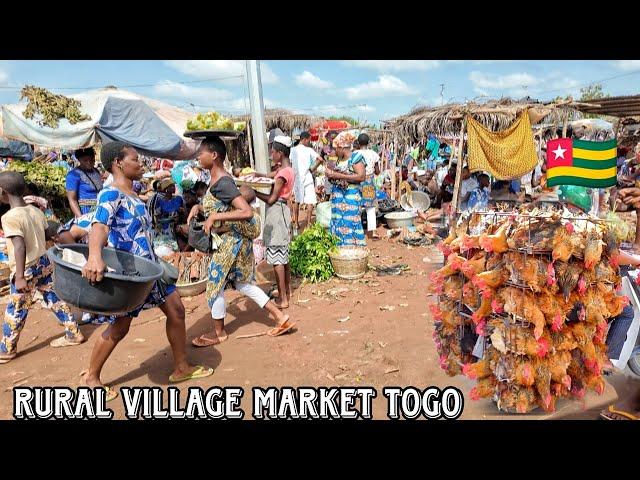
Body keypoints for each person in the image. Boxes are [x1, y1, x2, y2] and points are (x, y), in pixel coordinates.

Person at [81, 141, 212, 400]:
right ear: (118, 163)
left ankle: (181, 367)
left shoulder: (133, 195)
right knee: (120, 328)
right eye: (134, 159)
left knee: (177, 311)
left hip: (152, 269)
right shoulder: (111, 194)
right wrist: (94, 256)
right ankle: (91, 378)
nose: (140, 163)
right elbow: (99, 226)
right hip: (132, 274)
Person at [187, 137, 295, 346]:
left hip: (230, 243)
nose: (198, 156)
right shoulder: (217, 181)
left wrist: (214, 218)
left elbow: (245, 211)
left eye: (201, 153)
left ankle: (219, 333)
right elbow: (221, 206)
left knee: (214, 285)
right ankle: (280, 318)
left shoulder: (223, 182)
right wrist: (200, 209)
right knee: (243, 283)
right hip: (236, 242)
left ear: (214, 155)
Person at [0, 172, 84, 363]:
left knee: (16, 308)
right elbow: (47, 234)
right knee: (53, 297)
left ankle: (7, 348)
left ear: (3, 192)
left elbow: (19, 246)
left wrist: (19, 276)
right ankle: (73, 332)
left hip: (27, 268)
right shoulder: (35, 211)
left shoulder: (9, 217)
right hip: (43, 262)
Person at [253, 136, 295, 309]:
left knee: (277, 256)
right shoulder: (287, 169)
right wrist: (256, 175)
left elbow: (271, 199)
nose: (271, 154)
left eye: (273, 152)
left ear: (280, 153)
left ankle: (282, 299)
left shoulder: (282, 174)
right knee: (283, 255)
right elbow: (268, 176)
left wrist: (253, 192)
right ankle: (287, 291)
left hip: (277, 211)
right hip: (283, 211)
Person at [326, 132, 367, 247]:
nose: (335, 151)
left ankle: (353, 254)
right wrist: (331, 176)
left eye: (336, 148)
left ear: (342, 147)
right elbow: (337, 178)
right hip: (338, 202)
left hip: (350, 201)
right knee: (338, 225)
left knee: (351, 224)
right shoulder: (339, 160)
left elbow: (361, 176)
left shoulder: (355, 158)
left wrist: (338, 176)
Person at [291, 131, 323, 233]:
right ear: (304, 139)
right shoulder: (309, 150)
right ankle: (308, 224)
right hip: (307, 177)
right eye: (309, 140)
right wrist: (312, 169)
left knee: (296, 200)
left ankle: (296, 223)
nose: (309, 142)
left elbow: (290, 162)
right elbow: (320, 159)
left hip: (296, 177)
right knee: (310, 201)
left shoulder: (293, 150)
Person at [148, 178, 184, 254]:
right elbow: (167, 210)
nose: (174, 188)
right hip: (161, 229)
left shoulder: (171, 199)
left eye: (174, 186)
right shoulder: (158, 198)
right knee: (165, 248)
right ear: (166, 189)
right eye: (171, 186)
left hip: (170, 228)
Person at [66, 147, 103, 218]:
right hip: (85, 212)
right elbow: (72, 200)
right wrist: (81, 218)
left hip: (100, 210)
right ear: (79, 160)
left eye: (91, 160)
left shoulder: (96, 172)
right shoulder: (73, 175)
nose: (89, 162)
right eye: (85, 160)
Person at [357, 133, 381, 240]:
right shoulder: (374, 154)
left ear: (358, 143)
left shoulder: (355, 154)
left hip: (357, 180)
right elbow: (377, 171)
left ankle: (358, 230)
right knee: (370, 207)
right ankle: (373, 232)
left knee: (357, 205)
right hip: (369, 181)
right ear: (368, 142)